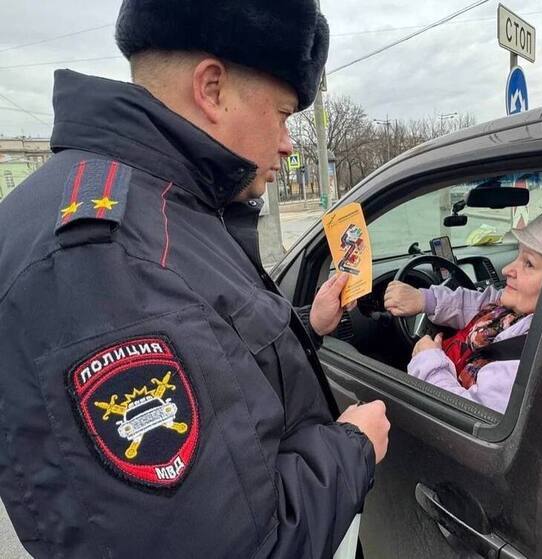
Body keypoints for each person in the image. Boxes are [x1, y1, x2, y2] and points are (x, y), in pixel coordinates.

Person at [0, 1, 389, 557]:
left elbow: (214, 350)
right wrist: (353, 448)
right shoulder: (108, 259)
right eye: (281, 114)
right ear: (211, 88)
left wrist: (309, 323)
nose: (287, 142)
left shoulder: (155, 205)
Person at [384, 210, 542, 413]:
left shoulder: (531, 357)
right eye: (517, 255)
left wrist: (427, 360)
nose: (506, 270)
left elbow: (469, 413)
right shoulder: (515, 308)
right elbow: (477, 303)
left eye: (528, 263)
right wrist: (424, 299)